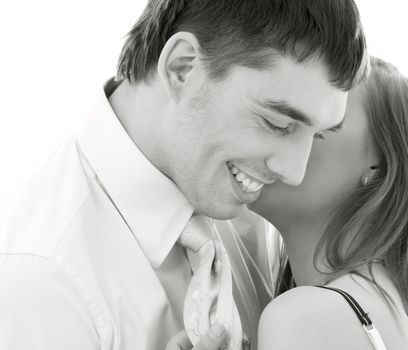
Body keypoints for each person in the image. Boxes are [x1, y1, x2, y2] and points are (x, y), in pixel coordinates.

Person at [0, 1, 368, 349]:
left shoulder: (246, 214)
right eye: (276, 123)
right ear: (182, 68)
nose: (294, 173)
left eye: (317, 135)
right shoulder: (42, 280)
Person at [248, 58, 408, 350]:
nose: (282, 130)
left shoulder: (311, 317)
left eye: (323, 125)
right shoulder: (379, 311)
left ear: (379, 169)